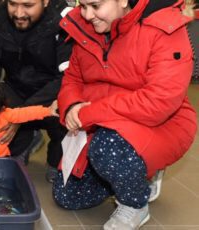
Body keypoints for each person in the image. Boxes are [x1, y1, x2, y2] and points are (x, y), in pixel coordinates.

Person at [54, 0, 197, 229]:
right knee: (69, 196)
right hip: (103, 121)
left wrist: (89, 112)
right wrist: (72, 105)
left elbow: (158, 103)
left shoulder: (164, 29)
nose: (88, 15)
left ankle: (134, 204)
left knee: (108, 148)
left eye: (95, 5)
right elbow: (73, 78)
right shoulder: (86, 26)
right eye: (82, 6)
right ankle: (131, 176)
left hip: (161, 124)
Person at [0, 0, 73, 183]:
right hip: (16, 88)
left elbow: (69, 78)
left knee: (67, 110)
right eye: (12, 4)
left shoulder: (67, 22)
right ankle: (24, 142)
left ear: (46, 2)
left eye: (28, 6)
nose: (19, 13)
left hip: (54, 90)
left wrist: (21, 117)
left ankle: (56, 162)